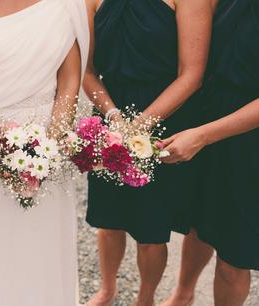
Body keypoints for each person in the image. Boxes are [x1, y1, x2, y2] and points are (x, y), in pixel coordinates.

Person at [0, 0, 89, 305]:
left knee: (45, 250)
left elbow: (68, 82)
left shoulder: (65, 5)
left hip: (47, 150)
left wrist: (48, 148)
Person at [83, 0, 218, 305]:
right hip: (111, 116)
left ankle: (146, 298)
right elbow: (86, 71)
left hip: (167, 117)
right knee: (108, 219)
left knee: (150, 228)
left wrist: (140, 126)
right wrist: (114, 117)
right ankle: (107, 289)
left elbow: (192, 75)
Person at [161, 0, 259, 305]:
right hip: (206, 114)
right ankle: (182, 293)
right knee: (198, 224)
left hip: (248, 143)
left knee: (233, 256)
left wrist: (203, 136)